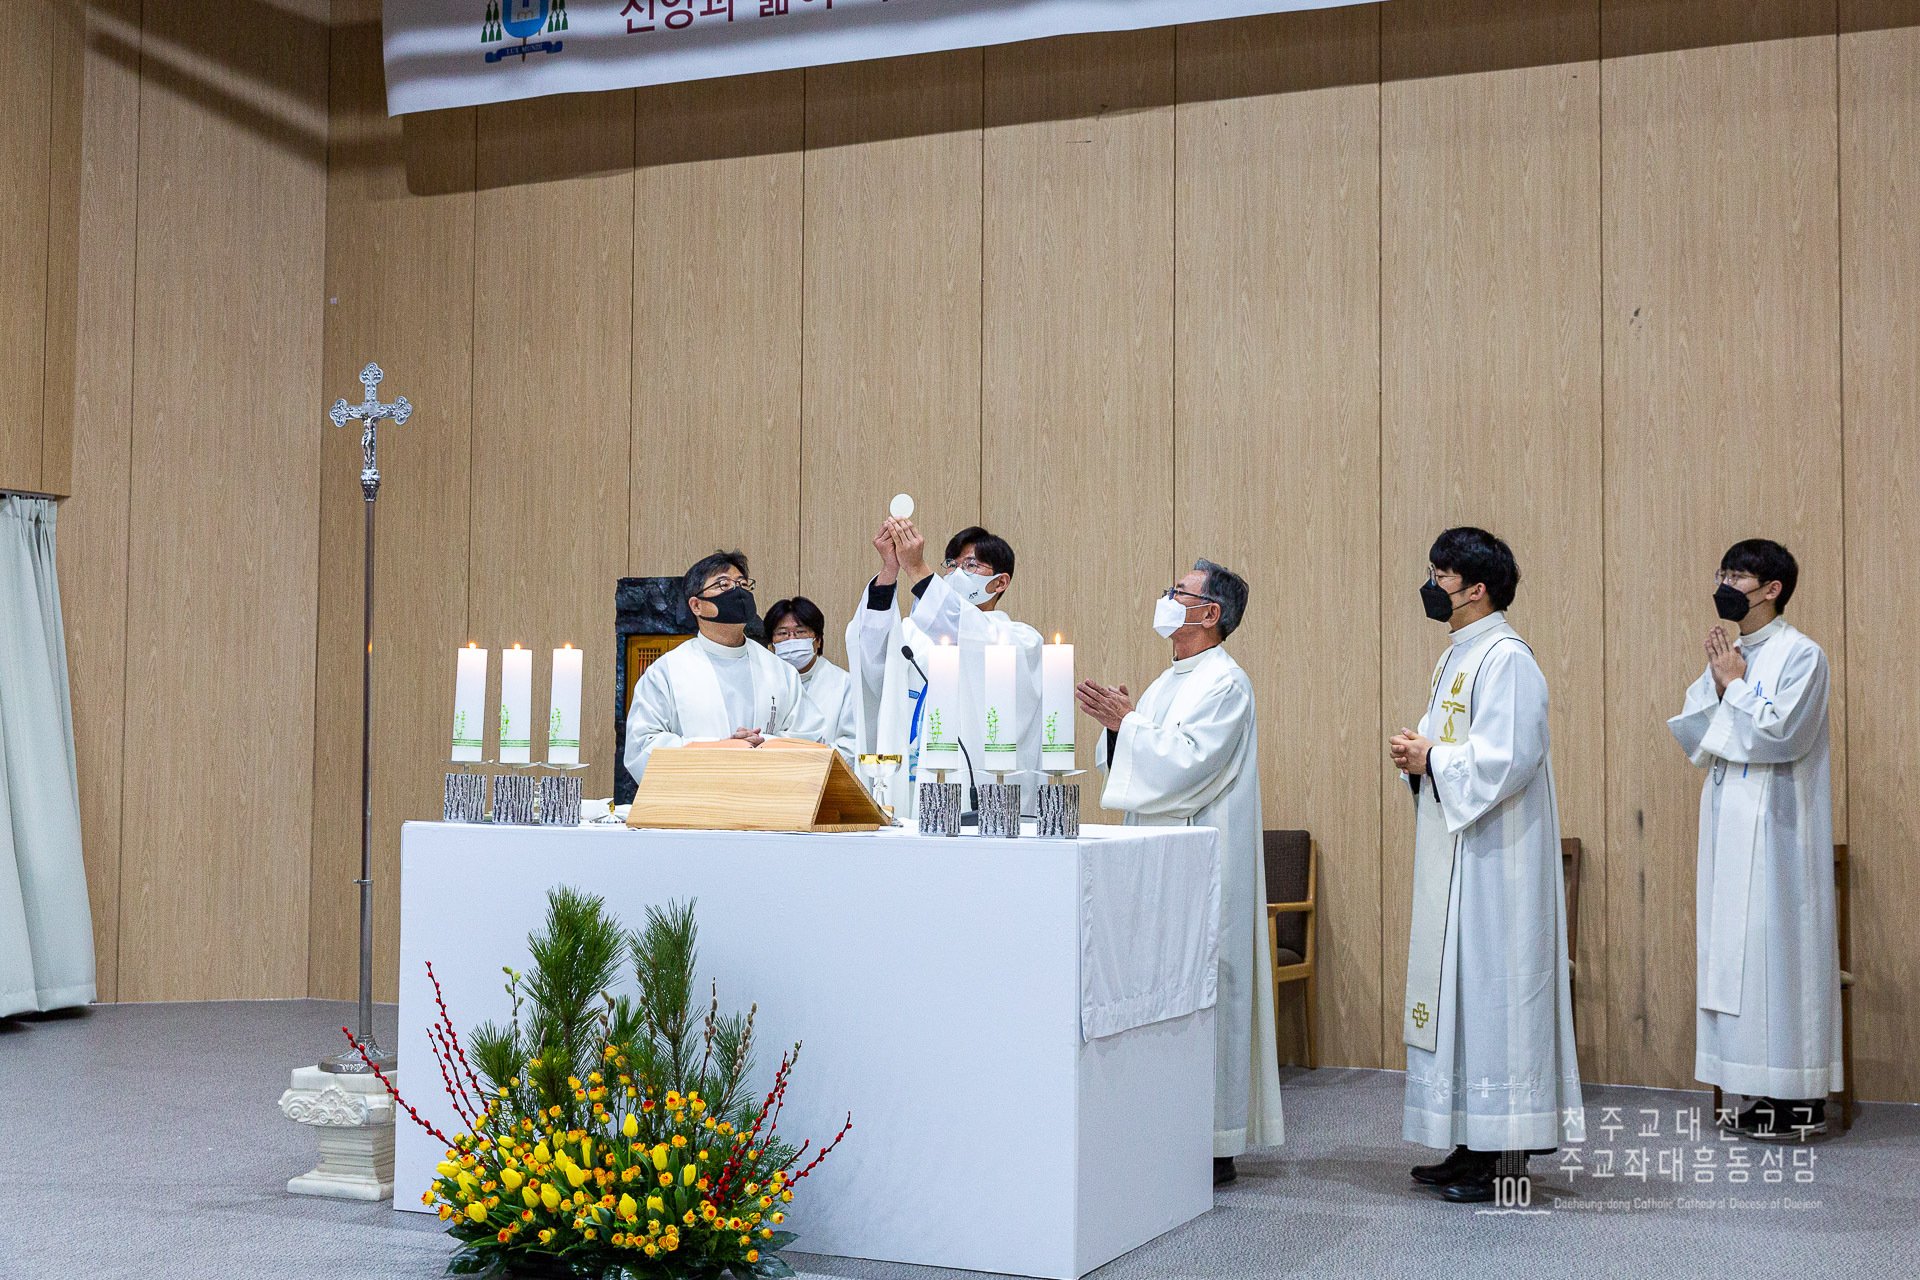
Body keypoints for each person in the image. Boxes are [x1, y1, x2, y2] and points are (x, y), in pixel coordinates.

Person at [1387, 527, 1583, 1203]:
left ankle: (1505, 1155)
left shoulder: (1508, 659)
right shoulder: (1458, 656)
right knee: (1463, 998)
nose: (1431, 585)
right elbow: (1450, 746)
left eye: (1441, 575)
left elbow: (1509, 757)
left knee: (1497, 997)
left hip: (1501, 861)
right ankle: (1471, 1143)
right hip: (1460, 852)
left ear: (1476, 589)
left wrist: (1432, 759)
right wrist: (1419, 758)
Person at [1076, 559, 1283, 1188]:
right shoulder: (1169, 680)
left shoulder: (1226, 683)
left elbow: (1188, 766)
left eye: (1179, 593)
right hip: (1159, 861)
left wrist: (1129, 725)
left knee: (1207, 984)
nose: (1166, 599)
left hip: (1205, 864)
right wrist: (1123, 730)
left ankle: (1213, 1138)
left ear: (1210, 612)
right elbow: (1137, 759)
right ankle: (1163, 1124)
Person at [1667, 539, 1840, 1138]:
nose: (1725, 585)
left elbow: (1783, 734)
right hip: (1728, 824)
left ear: (1772, 589)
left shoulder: (1802, 655)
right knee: (1736, 958)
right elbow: (1696, 730)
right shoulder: (1733, 654)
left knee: (1778, 959)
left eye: (1737, 576)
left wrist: (1735, 686)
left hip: (1779, 835)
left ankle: (1800, 1098)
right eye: (1722, 573)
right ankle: (1758, 1089)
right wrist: (1722, 685)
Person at [845, 519, 1043, 817]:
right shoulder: (914, 635)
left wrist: (916, 568)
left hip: (981, 792)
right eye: (951, 564)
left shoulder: (1019, 640)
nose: (956, 573)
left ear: (1000, 582)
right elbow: (872, 654)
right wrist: (889, 570)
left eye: (971, 565)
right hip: (912, 785)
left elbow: (961, 625)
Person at [623, 551, 832, 782]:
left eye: (742, 584)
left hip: (766, 795)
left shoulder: (779, 670)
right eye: (723, 584)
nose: (737, 591)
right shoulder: (667, 672)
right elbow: (642, 746)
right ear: (696, 605)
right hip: (698, 798)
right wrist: (721, 748)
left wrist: (763, 745)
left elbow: (809, 737)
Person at [764, 595, 858, 766]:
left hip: (823, 772)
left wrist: (810, 758)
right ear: (772, 644)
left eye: (800, 632)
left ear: (817, 641)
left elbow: (852, 744)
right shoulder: (762, 682)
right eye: (782, 633)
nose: (791, 639)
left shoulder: (844, 684)